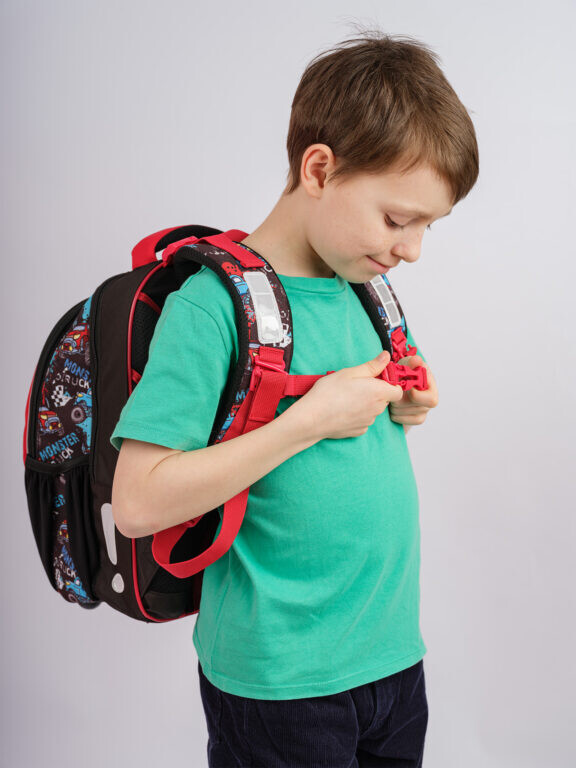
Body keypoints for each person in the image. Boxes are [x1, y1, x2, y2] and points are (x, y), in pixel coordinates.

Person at [109, 26, 479, 768]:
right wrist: (306, 423)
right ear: (319, 168)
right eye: (397, 219)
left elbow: (368, 422)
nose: (411, 250)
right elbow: (138, 503)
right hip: (280, 684)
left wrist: (408, 406)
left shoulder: (369, 290)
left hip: (393, 660)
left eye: (428, 226)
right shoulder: (212, 308)